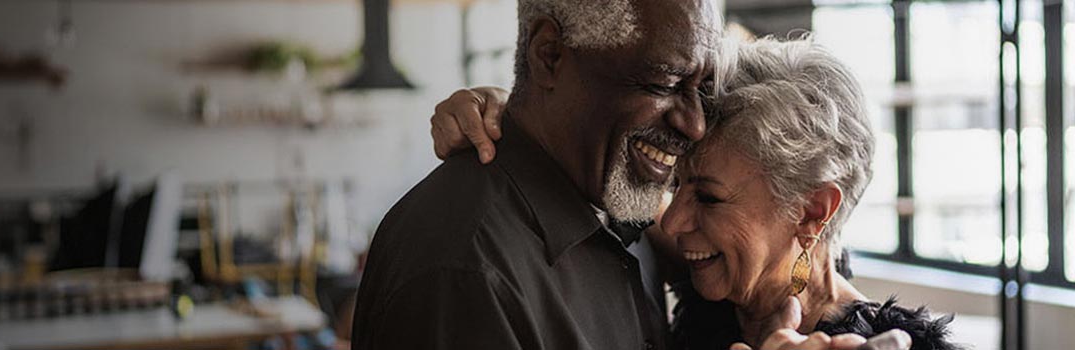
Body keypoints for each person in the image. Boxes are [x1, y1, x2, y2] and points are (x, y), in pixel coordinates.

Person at [429, 38, 958, 350]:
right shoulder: (712, 280)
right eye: (676, 183)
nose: (675, 222)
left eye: (707, 197)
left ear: (812, 212)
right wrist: (510, 113)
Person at [348, 0, 717, 348]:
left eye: (704, 90)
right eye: (664, 84)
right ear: (549, 56)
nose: (695, 124)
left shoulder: (621, 205)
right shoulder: (466, 268)